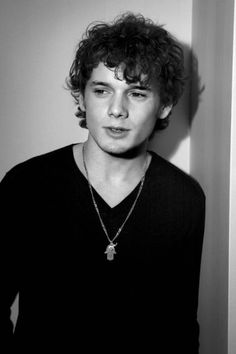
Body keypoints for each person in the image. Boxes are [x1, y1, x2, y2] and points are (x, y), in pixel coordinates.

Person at [1, 12, 205, 353]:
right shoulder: (27, 185)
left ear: (165, 106)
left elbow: (180, 326)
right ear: (81, 97)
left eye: (137, 93)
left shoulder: (183, 198)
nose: (116, 110)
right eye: (101, 90)